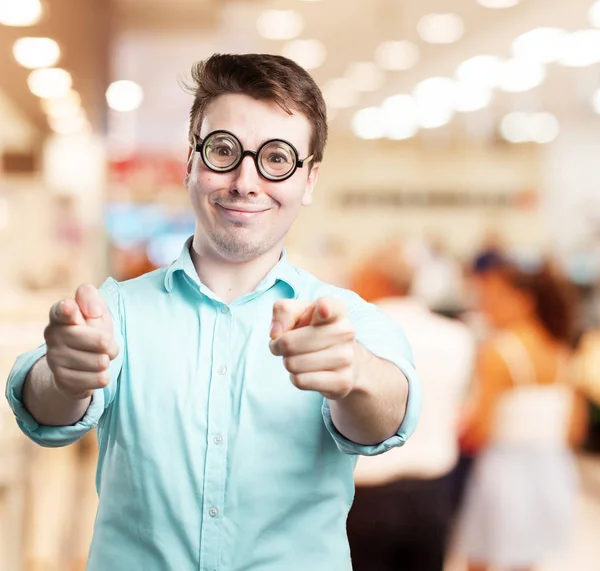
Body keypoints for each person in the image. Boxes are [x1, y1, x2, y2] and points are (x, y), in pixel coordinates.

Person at [4, 53, 421, 571]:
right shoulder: (116, 311)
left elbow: (389, 413)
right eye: (224, 150)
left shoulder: (344, 321)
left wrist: (354, 374)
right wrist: (63, 377)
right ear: (191, 162)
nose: (245, 181)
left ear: (310, 180)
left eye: (276, 159)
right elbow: (41, 408)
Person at [347, 242, 475, 571]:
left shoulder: (352, 334)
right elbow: (462, 409)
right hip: (433, 489)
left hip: (366, 492)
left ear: (377, 281)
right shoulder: (457, 335)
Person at [456, 253, 587, 571]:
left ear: (523, 300)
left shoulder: (499, 351)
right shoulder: (558, 349)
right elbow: (574, 428)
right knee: (525, 561)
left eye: (493, 297)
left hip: (504, 472)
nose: (485, 305)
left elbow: (481, 428)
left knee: (481, 558)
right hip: (554, 470)